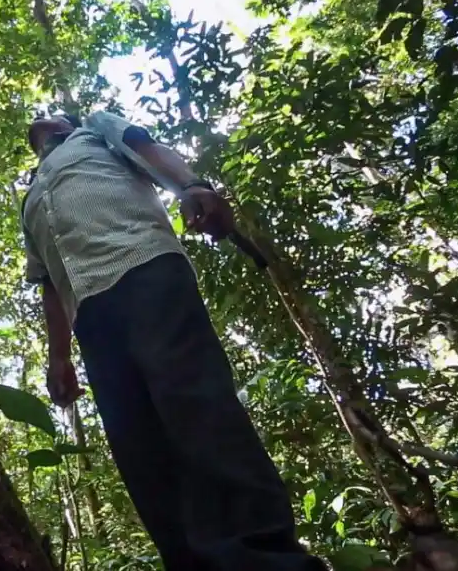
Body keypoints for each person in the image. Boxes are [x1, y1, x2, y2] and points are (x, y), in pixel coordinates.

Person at [20, 111, 326, 571]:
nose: (40, 127)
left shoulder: (95, 130)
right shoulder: (29, 200)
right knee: (137, 442)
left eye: (48, 120)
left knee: (194, 403)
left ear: (67, 122)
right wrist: (59, 356)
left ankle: (265, 556)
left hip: (143, 265)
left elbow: (147, 149)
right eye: (34, 132)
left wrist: (192, 185)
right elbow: (46, 281)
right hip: (89, 312)